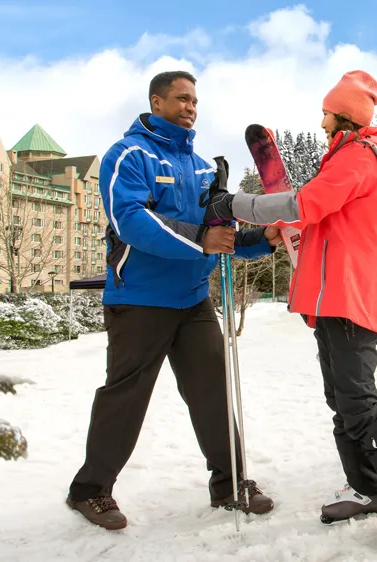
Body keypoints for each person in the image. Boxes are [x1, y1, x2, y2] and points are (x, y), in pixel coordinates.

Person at [202, 70, 377, 553]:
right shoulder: (346, 157)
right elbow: (316, 219)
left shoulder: (357, 159)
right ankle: (368, 485)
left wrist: (236, 204)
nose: (321, 119)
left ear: (344, 115)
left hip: (351, 297)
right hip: (333, 298)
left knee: (359, 402)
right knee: (341, 401)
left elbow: (304, 203)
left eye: (326, 111)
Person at [66, 70, 279, 530]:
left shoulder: (202, 167)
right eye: (181, 99)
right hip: (140, 299)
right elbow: (130, 220)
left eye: (195, 101)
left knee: (213, 391)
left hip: (192, 300)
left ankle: (231, 483)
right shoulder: (128, 155)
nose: (190, 107)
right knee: (126, 396)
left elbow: (220, 235)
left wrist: (265, 239)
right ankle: (91, 490)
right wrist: (203, 239)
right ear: (156, 101)